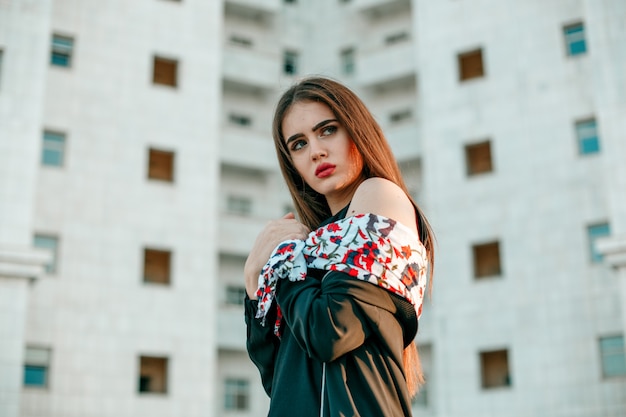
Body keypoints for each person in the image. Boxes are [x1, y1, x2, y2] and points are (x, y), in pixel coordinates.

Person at [243, 76, 435, 417]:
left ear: (356, 131)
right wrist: (252, 280)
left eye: (327, 130)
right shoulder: (311, 246)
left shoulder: (378, 194)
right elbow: (278, 377)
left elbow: (331, 330)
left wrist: (283, 261)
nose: (316, 150)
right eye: (298, 144)